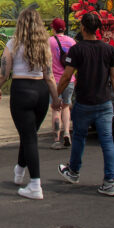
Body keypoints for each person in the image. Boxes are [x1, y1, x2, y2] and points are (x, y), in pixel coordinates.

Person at [0, 7, 61, 200]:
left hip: (21, 91)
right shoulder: (44, 45)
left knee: (29, 137)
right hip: (41, 92)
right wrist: (55, 98)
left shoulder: (13, 44)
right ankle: (20, 170)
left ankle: (35, 185)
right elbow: (49, 76)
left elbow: (4, 73)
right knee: (29, 133)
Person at [56, 12, 114, 197]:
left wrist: (56, 95)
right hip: (104, 102)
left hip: (84, 102)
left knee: (79, 137)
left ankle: (74, 171)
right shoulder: (109, 50)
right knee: (107, 141)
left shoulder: (77, 50)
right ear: (98, 29)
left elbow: (66, 76)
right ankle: (110, 182)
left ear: (83, 27)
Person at [49, 17, 76, 150]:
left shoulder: (49, 41)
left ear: (53, 28)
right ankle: (67, 134)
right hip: (69, 79)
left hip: (55, 80)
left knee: (56, 108)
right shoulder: (72, 42)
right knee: (66, 106)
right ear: (64, 28)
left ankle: (56, 139)